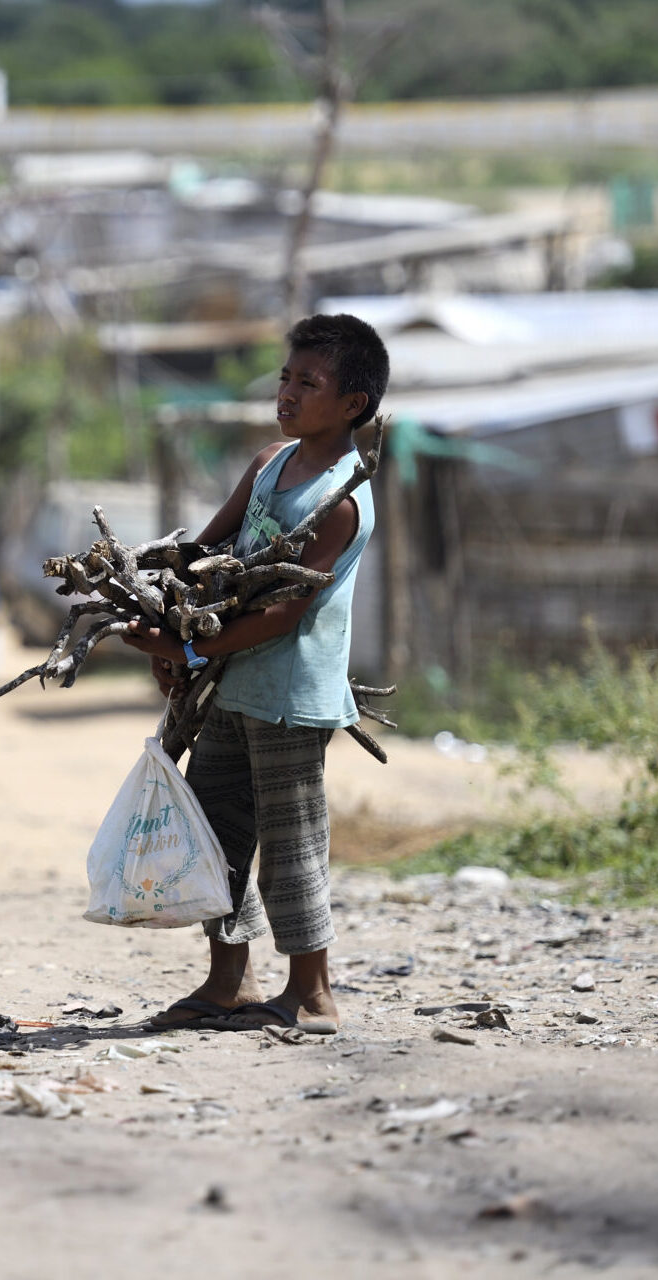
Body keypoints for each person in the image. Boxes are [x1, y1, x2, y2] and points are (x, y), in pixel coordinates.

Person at [121, 313, 389, 1036]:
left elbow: (285, 615)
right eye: (285, 377)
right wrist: (167, 618)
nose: (288, 393)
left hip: (291, 694)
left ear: (354, 405)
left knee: (292, 845)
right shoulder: (271, 463)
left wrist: (191, 655)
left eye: (310, 382)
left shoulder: (342, 501)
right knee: (218, 833)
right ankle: (227, 982)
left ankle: (312, 994)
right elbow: (207, 551)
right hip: (234, 685)